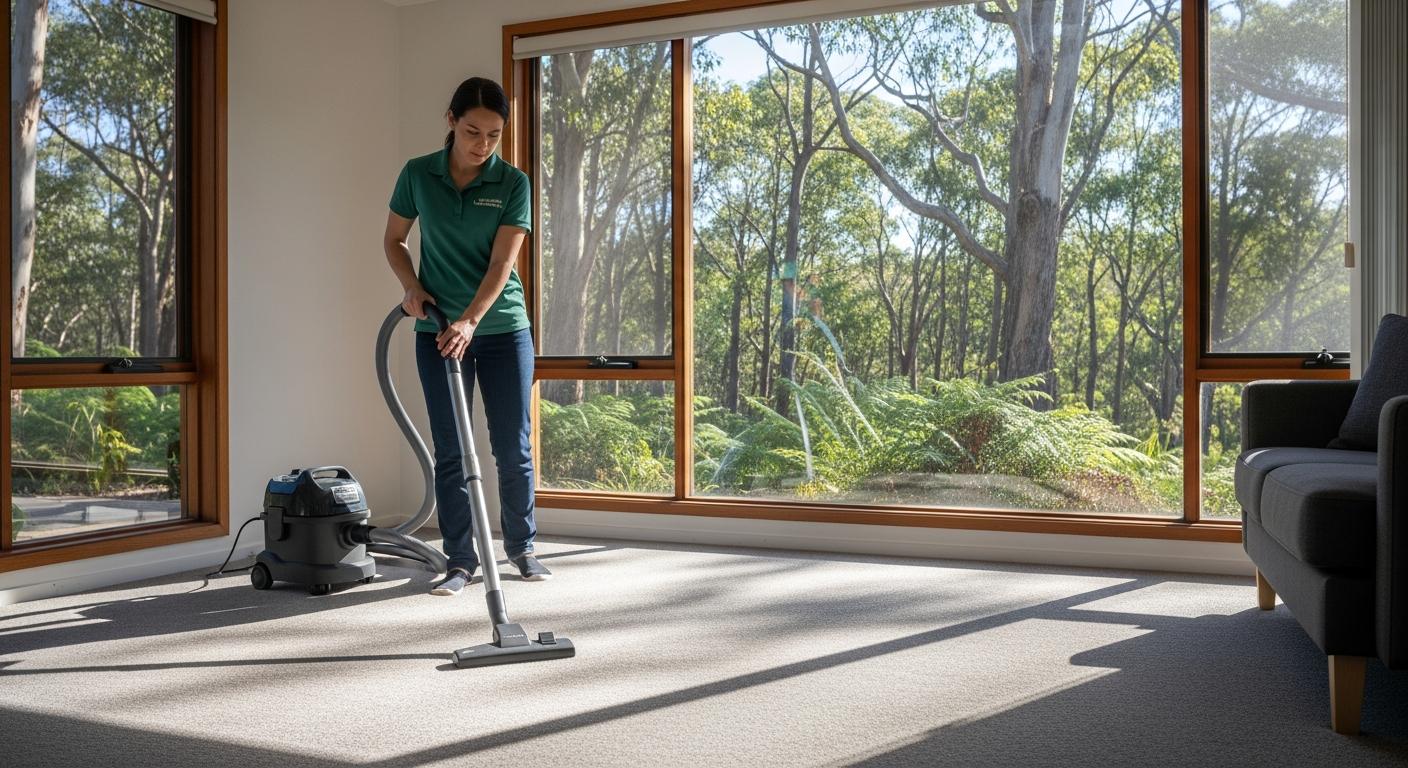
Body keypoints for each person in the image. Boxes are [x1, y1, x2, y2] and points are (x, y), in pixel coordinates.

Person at [383, 77, 549, 595]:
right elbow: (394, 239)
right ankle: (459, 561)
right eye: (473, 131)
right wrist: (411, 288)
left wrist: (472, 320)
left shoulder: (512, 183)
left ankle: (522, 548)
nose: (483, 144)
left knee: (510, 446)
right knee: (451, 449)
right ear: (451, 121)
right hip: (436, 330)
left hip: (500, 329)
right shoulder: (418, 174)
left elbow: (503, 262)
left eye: (495, 135)